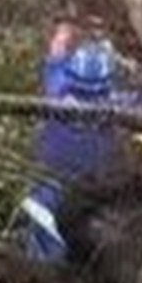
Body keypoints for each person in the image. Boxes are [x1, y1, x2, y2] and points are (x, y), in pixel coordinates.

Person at [21, 25, 131, 255]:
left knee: (41, 229)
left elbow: (55, 58)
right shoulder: (117, 106)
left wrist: (62, 33)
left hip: (50, 181)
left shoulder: (57, 90)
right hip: (88, 188)